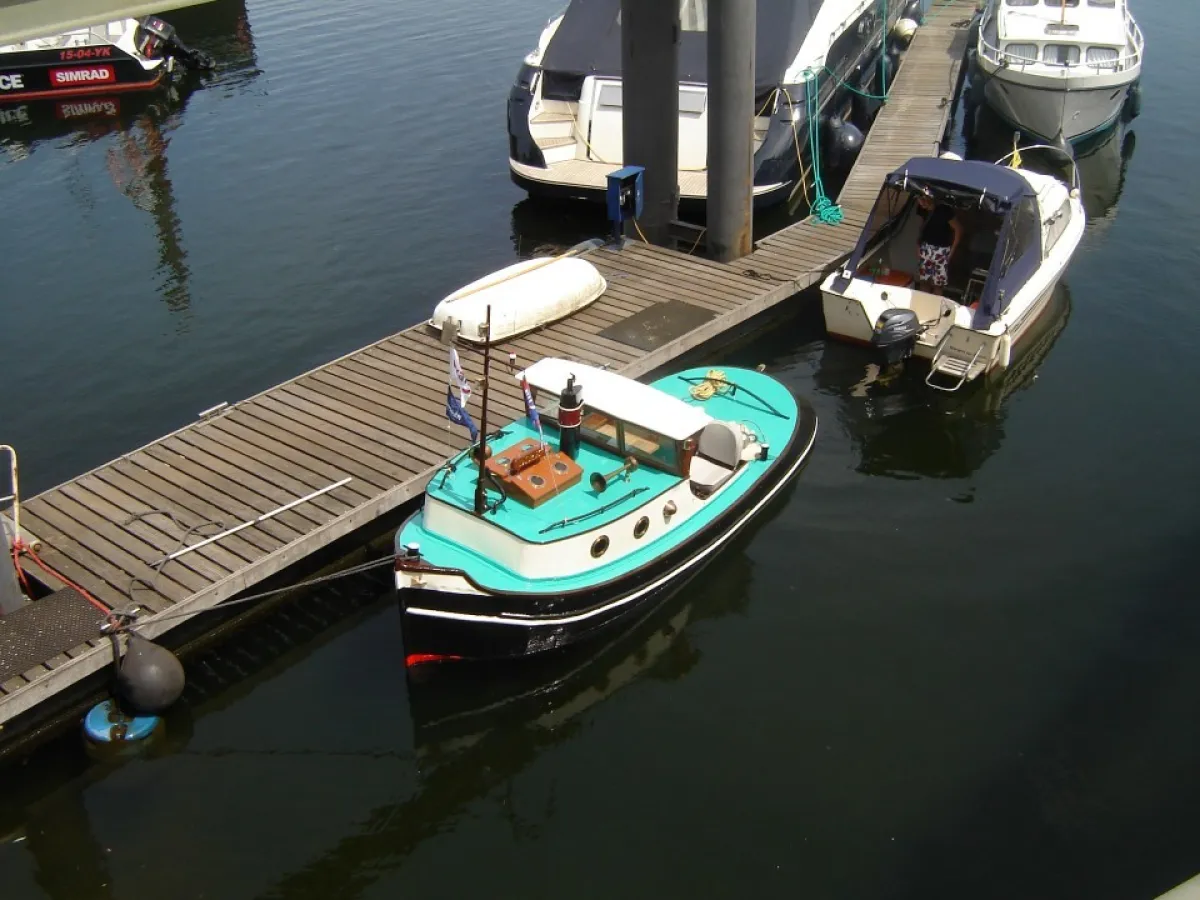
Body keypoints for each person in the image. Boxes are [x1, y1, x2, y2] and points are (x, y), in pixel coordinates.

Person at [915, 194, 962, 295]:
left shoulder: (944, 210)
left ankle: (934, 307)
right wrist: (918, 245)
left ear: (931, 197)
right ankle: (922, 304)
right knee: (923, 281)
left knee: (938, 284)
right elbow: (921, 227)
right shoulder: (921, 209)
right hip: (926, 247)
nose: (922, 202)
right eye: (919, 199)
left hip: (942, 250)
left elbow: (958, 229)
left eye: (924, 199)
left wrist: (951, 252)